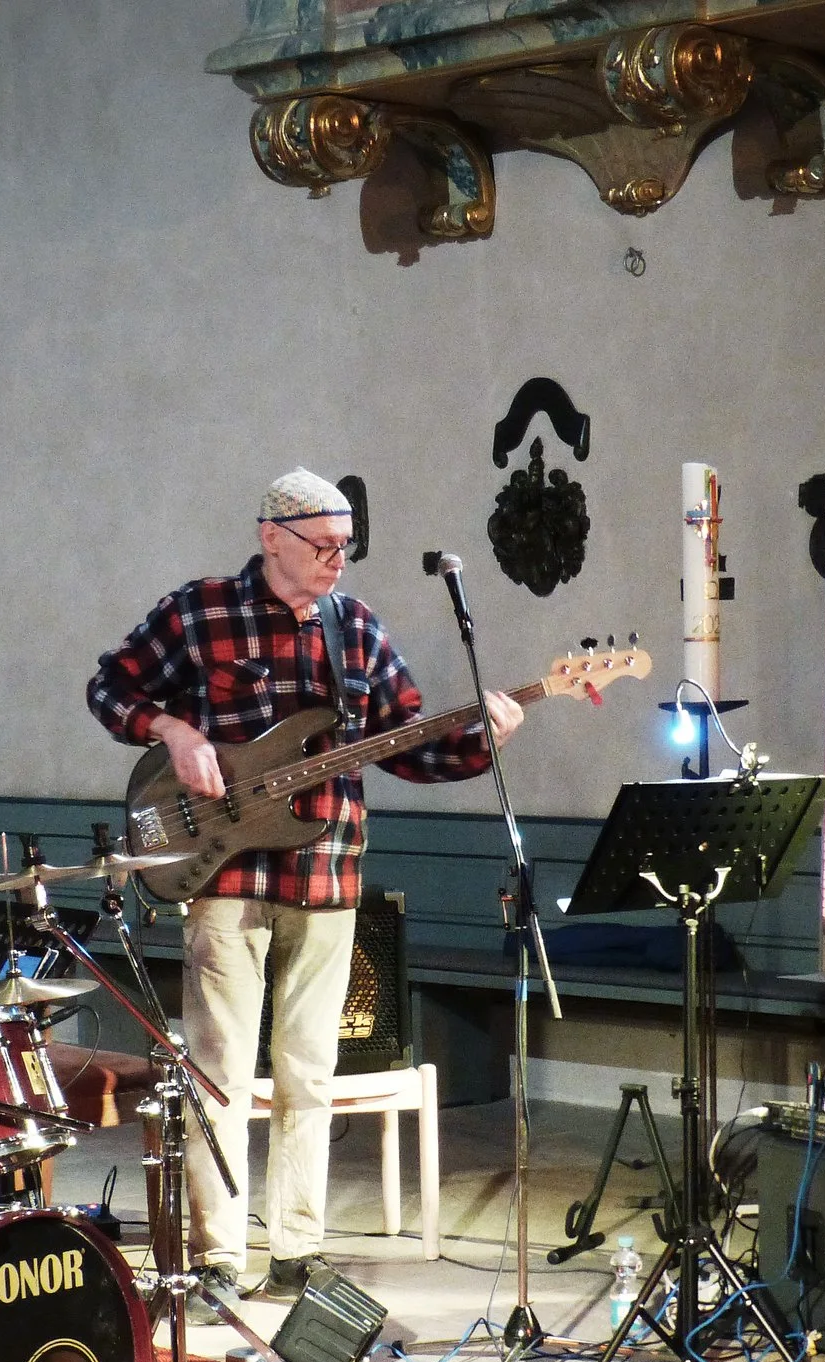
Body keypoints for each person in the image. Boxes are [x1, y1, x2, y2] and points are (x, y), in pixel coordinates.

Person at [87, 468, 522, 1299]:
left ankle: (296, 1249)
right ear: (271, 537)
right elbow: (108, 688)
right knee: (217, 1070)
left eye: (346, 547)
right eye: (322, 545)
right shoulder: (200, 610)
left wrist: (486, 738)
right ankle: (217, 1256)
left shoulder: (353, 627)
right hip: (221, 871)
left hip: (328, 871)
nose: (337, 561)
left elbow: (411, 746)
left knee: (308, 1071)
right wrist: (174, 729)